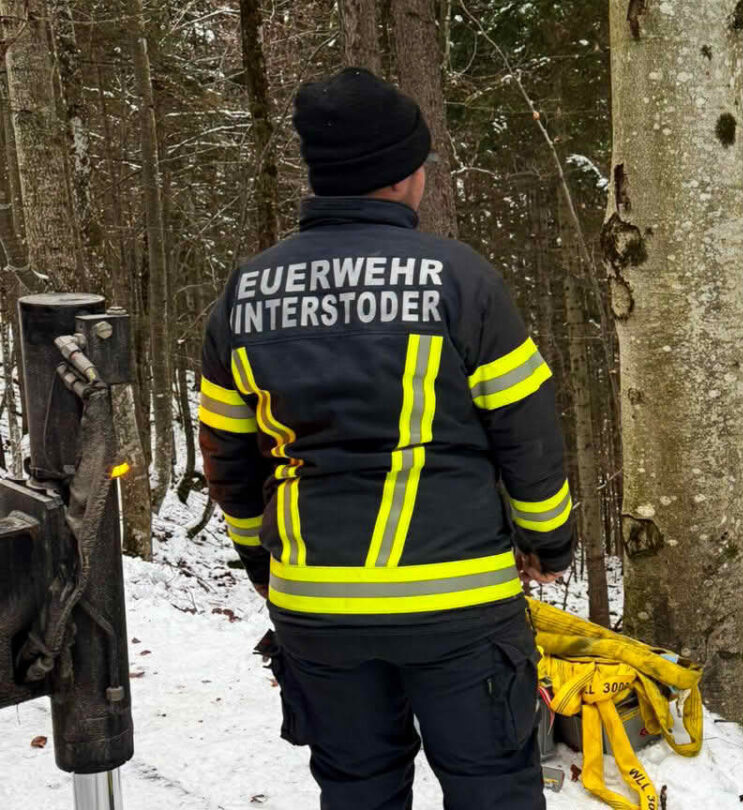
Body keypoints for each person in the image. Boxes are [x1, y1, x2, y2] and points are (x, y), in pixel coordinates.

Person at [198, 67, 573, 810]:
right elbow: (527, 432)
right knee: (493, 788)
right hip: (459, 604)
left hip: (318, 610)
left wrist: (263, 564)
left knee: (358, 791)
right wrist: (548, 541)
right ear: (405, 176)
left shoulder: (244, 296)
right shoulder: (461, 280)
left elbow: (229, 464)